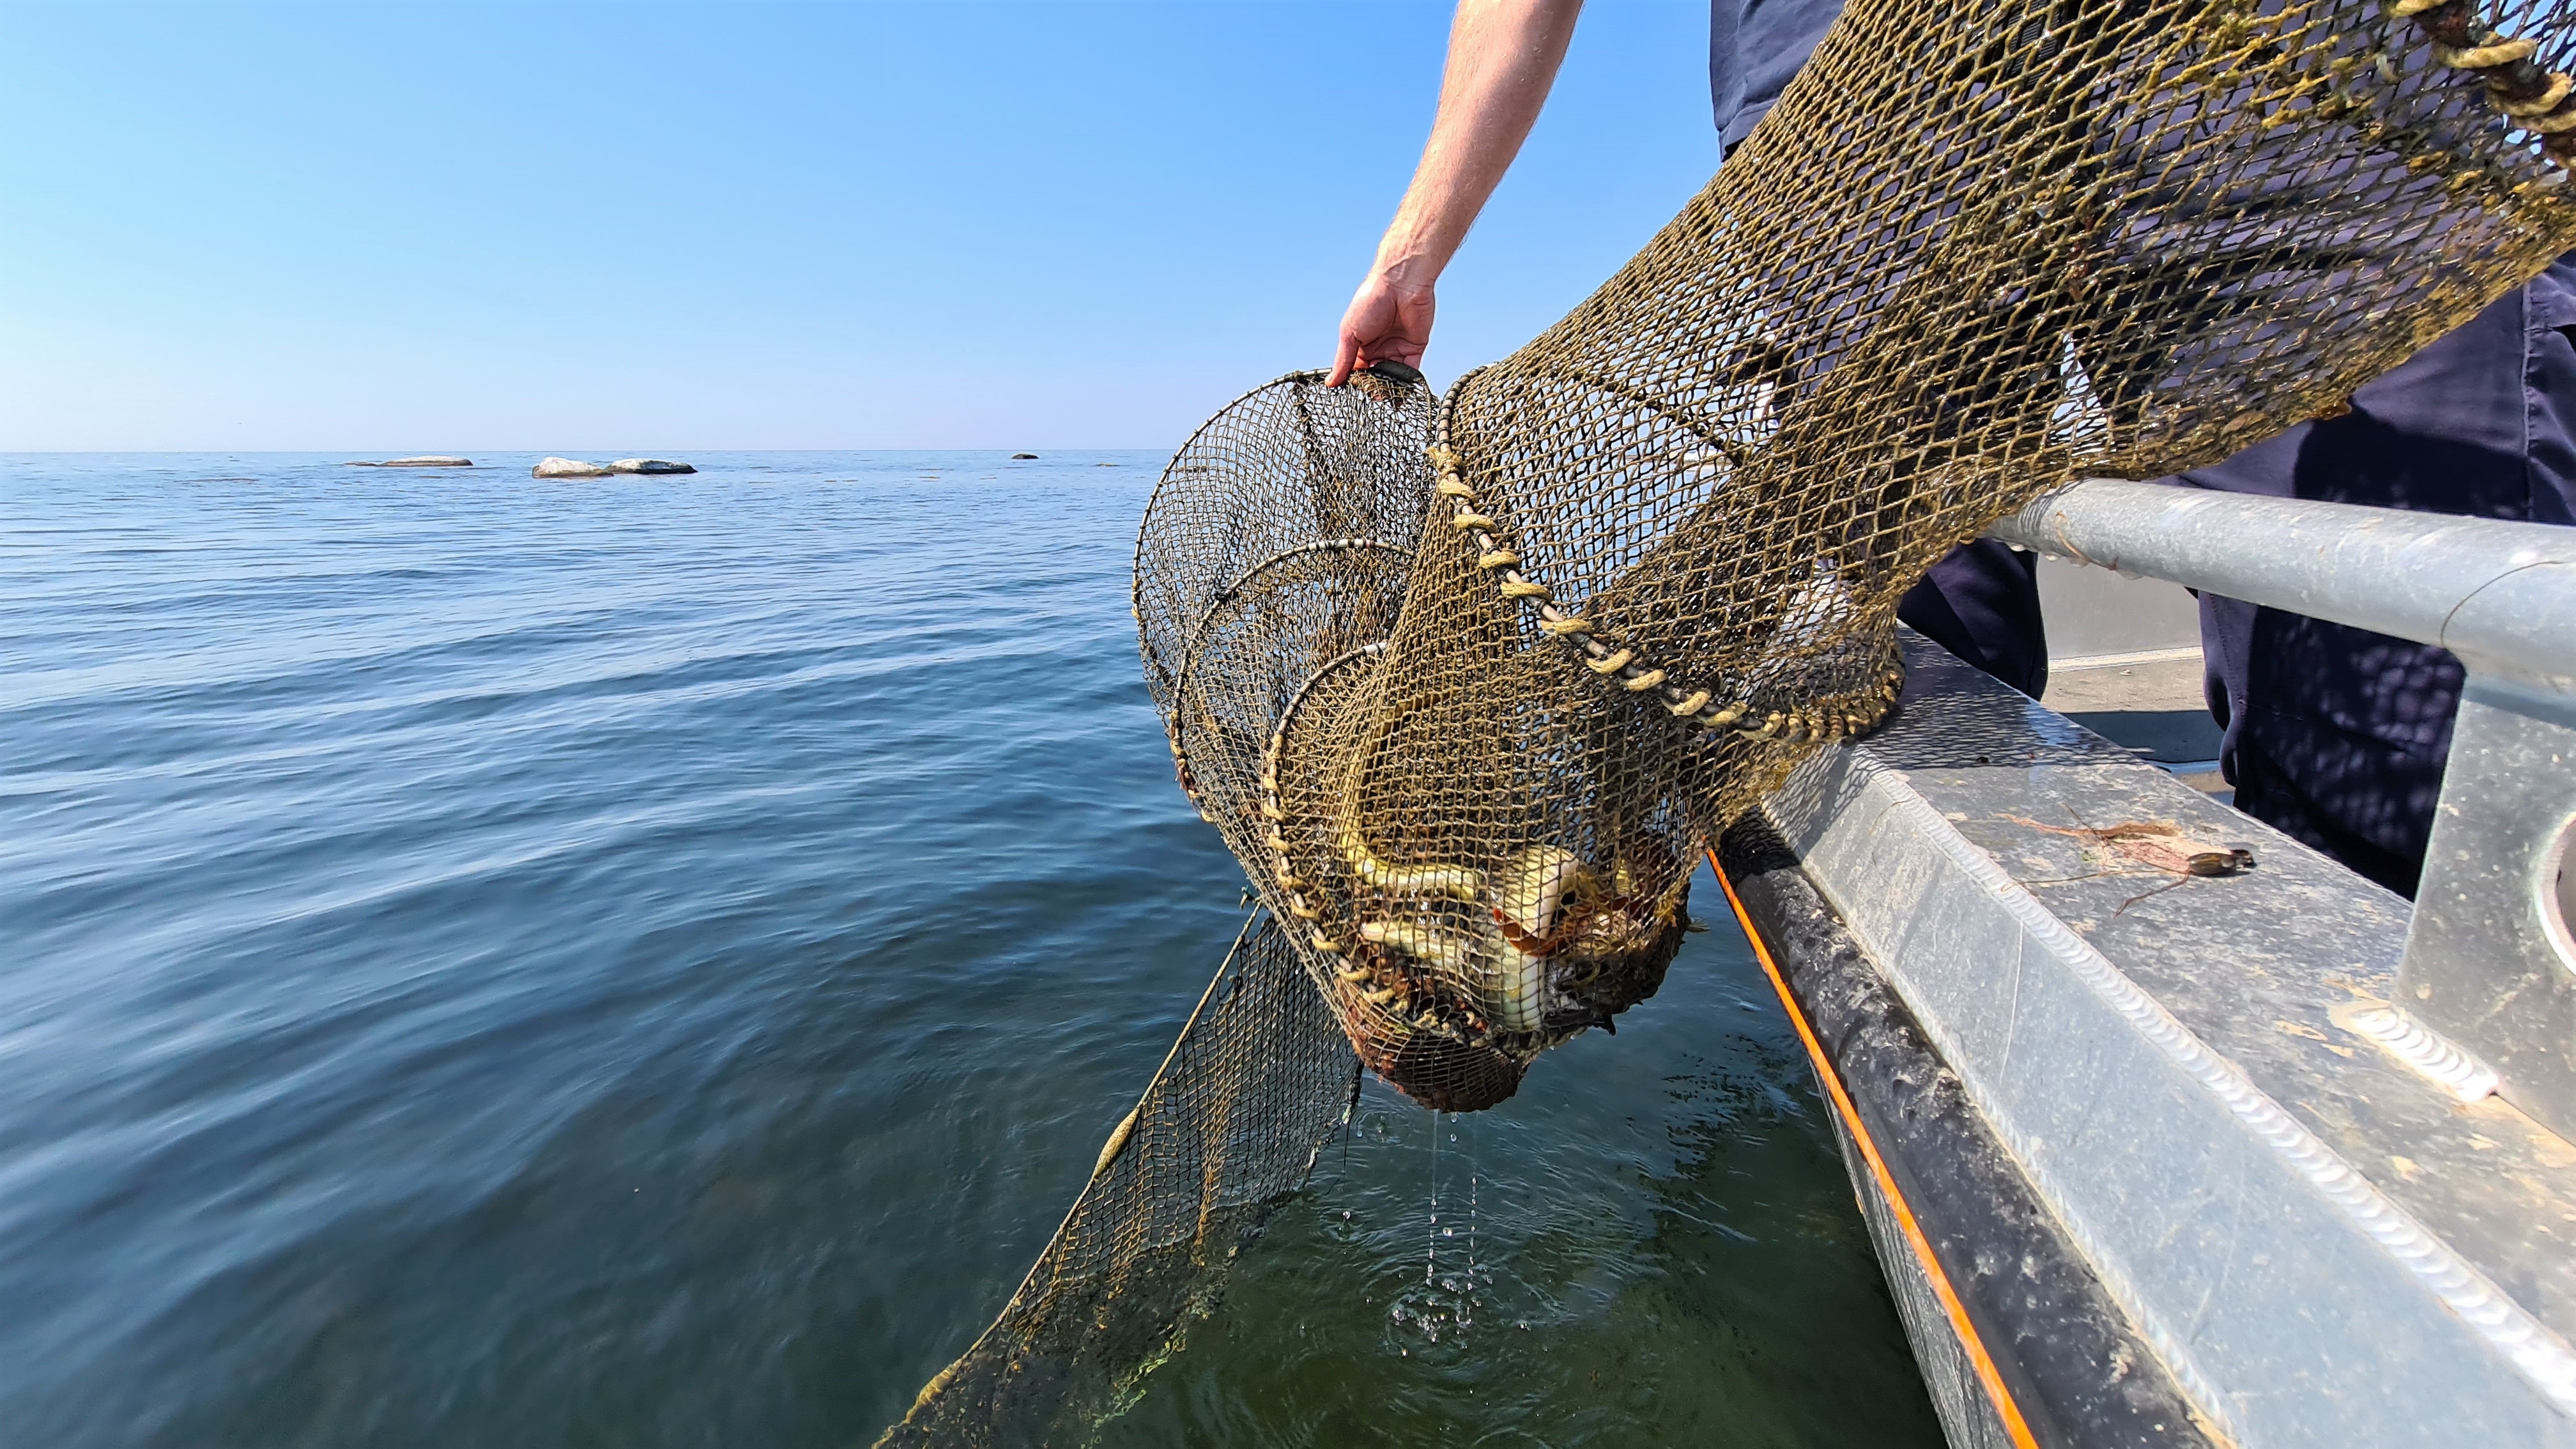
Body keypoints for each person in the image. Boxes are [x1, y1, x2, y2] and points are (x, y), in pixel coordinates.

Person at [1326, 0, 2576, 898]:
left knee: (2390, 621)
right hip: (1873, 98)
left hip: (2287, 60)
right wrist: (1413, 246)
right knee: (1909, 655)